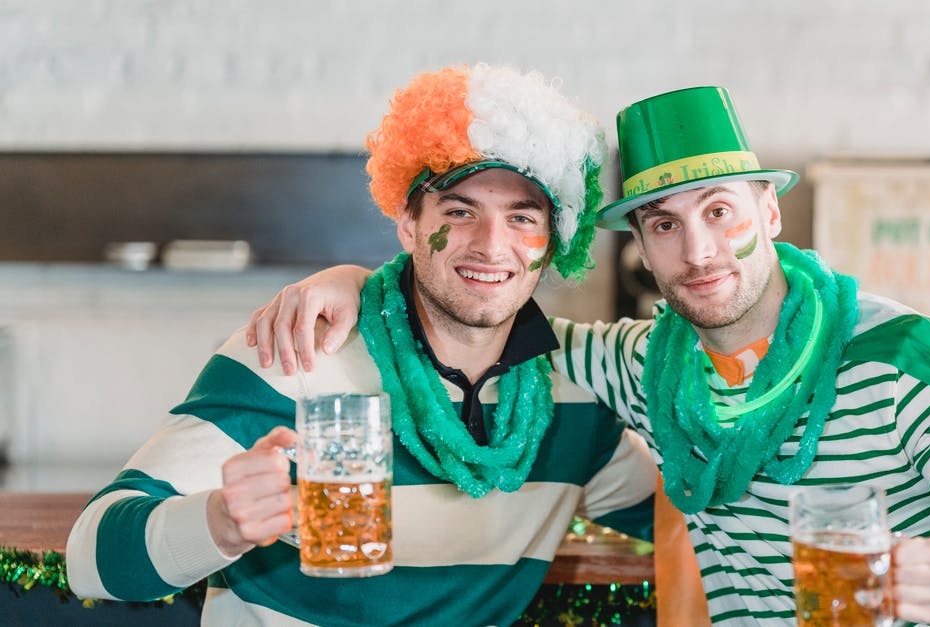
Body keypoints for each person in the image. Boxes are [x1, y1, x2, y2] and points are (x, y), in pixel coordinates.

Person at [249, 86, 930, 626]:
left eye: (719, 210)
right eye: (663, 224)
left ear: (768, 212)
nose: (699, 250)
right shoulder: (641, 364)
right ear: (638, 250)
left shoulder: (893, 359)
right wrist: (358, 281)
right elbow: (480, 314)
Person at [65, 64, 657, 627]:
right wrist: (221, 523)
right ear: (409, 223)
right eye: (460, 210)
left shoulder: (570, 397)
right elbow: (89, 557)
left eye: (523, 218)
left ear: (554, 240)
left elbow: (696, 519)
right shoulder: (295, 352)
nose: (490, 244)